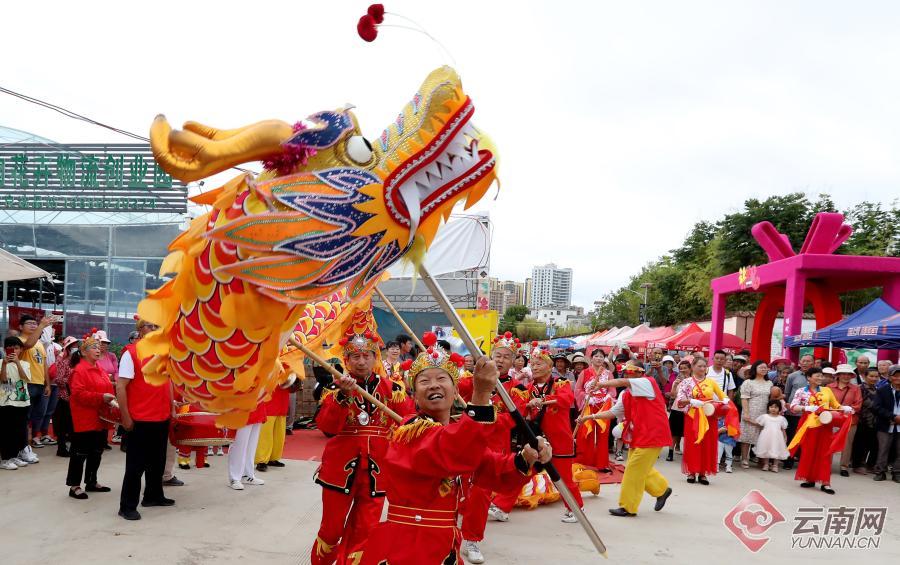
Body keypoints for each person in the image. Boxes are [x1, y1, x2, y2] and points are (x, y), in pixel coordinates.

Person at [360, 341, 548, 564]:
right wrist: (480, 396)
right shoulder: (410, 432)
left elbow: (491, 469)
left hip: (444, 544)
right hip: (409, 544)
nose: (433, 385)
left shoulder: (453, 433)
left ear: (455, 390)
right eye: (424, 381)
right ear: (415, 395)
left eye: (441, 379)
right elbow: (452, 451)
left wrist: (527, 458)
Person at [311, 320, 414, 565]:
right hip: (340, 470)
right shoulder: (334, 388)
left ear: (374, 357)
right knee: (331, 530)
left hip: (378, 472)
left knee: (365, 531)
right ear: (346, 360)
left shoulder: (393, 389)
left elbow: (407, 423)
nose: (360, 361)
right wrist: (343, 397)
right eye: (354, 356)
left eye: (366, 355)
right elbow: (326, 426)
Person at [457, 332, 527, 563]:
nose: (501, 360)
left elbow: (516, 417)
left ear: (514, 361)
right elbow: (458, 391)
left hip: (493, 447)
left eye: (507, 357)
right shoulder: (474, 378)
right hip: (465, 441)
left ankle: (471, 539)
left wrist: (488, 416)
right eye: (498, 355)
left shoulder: (517, 389)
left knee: (480, 492)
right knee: (455, 487)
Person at [576, 361, 672, 517]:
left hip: (654, 434)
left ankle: (628, 507)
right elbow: (613, 412)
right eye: (625, 371)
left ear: (640, 372)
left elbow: (622, 382)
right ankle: (661, 490)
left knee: (634, 470)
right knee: (640, 468)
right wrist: (589, 417)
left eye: (630, 371)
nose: (627, 374)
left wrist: (600, 384)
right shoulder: (626, 394)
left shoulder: (647, 383)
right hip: (640, 435)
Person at [117, 318, 175, 521]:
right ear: (140, 330)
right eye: (149, 326)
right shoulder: (131, 353)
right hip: (140, 418)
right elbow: (121, 386)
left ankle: (153, 495)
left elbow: (168, 382)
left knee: (157, 462)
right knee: (135, 465)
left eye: (156, 326)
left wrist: (172, 405)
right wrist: (125, 416)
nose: (153, 329)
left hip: (161, 416)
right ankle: (127, 506)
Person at [525, 345, 583, 522]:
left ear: (550, 367)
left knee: (564, 479)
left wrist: (542, 401)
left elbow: (567, 400)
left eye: (539, 364)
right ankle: (502, 507)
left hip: (559, 440)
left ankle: (576, 509)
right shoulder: (528, 388)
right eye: (532, 364)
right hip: (536, 439)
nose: (534, 367)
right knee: (522, 473)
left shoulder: (561, 384)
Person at [788, 367, 853, 494]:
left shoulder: (827, 390)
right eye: (817, 376)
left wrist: (844, 408)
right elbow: (793, 407)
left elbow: (835, 406)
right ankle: (809, 479)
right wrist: (806, 408)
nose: (820, 378)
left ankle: (825, 483)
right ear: (809, 378)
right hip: (808, 425)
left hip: (824, 424)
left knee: (825, 453)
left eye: (821, 376)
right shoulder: (801, 391)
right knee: (808, 452)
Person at [66, 334, 117, 499]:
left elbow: (107, 387)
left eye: (99, 346)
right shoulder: (79, 370)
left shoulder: (99, 368)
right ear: (84, 352)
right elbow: (78, 394)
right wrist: (101, 397)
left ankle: (91, 481)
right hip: (84, 418)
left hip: (100, 417)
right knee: (80, 453)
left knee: (96, 451)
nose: (98, 349)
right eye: (94, 347)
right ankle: (74, 486)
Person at [676, 356, 728, 484]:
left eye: (704, 366)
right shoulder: (686, 382)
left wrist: (725, 402)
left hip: (709, 417)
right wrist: (691, 401)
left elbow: (723, 396)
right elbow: (679, 401)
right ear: (692, 367)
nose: (702, 368)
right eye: (699, 366)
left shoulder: (711, 382)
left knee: (707, 444)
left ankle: (703, 473)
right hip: (693, 416)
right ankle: (692, 472)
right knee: (693, 444)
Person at [574, 350, 615, 473]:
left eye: (601, 356)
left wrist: (609, 396)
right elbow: (577, 389)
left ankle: (602, 464)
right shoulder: (585, 373)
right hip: (589, 405)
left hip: (604, 406)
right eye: (596, 356)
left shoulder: (608, 373)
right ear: (591, 359)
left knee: (603, 434)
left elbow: (612, 389)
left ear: (604, 359)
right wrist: (585, 396)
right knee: (587, 434)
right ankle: (585, 461)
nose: (598, 359)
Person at [17, 315, 51, 450]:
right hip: (25, 383)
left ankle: (30, 441)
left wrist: (47, 384)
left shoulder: (39, 343)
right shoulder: (18, 340)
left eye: (34, 323)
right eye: (29, 323)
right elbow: (27, 345)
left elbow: (44, 365)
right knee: (24, 416)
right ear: (20, 327)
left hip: (40, 384)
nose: (33, 325)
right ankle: (22, 446)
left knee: (39, 414)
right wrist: (42, 325)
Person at [1, 336, 32, 470]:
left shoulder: (25, 364)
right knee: (7, 431)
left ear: (20, 350)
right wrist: (4, 365)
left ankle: (14, 456)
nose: (14, 350)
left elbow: (26, 378)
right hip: (6, 403)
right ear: (5, 349)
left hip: (23, 403)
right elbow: (3, 381)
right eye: (10, 348)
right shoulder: (1, 362)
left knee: (19, 431)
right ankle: (5, 459)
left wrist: (18, 363)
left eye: (17, 348)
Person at [255, 373, 295, 472]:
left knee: (279, 434)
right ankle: (262, 460)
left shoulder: (290, 363)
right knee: (265, 434)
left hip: (282, 402)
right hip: (270, 401)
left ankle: (273, 458)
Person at [827, 364, 862, 477]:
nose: (846, 376)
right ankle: (827, 464)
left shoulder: (855, 388)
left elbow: (858, 404)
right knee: (829, 442)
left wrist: (849, 409)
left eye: (848, 374)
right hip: (832, 418)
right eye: (843, 374)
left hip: (850, 420)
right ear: (838, 375)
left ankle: (844, 466)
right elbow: (825, 403)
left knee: (847, 443)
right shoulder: (829, 387)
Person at [782, 354, 815, 469]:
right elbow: (787, 393)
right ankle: (788, 460)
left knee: (806, 439)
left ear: (813, 363)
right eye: (803, 361)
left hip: (811, 414)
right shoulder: (792, 376)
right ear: (799, 362)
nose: (805, 363)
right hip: (794, 413)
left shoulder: (817, 377)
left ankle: (804, 461)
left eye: (808, 361)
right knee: (792, 437)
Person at [739, 361, 773, 469]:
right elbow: (744, 398)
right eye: (761, 367)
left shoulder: (769, 383)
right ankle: (745, 458)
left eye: (765, 367)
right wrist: (746, 413)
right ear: (755, 369)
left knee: (762, 436)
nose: (764, 369)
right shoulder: (748, 382)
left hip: (764, 412)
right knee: (747, 437)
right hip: (750, 410)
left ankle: (760, 459)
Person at [49, 337, 80, 458]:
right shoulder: (63, 361)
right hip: (65, 397)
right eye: (73, 345)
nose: (75, 347)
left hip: (75, 398)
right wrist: (72, 382)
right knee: (63, 425)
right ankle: (61, 448)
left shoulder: (78, 362)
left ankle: (73, 447)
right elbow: (59, 379)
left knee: (73, 424)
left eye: (77, 345)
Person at [871, 364, 900, 483]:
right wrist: (893, 417)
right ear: (889, 377)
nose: (898, 378)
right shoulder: (883, 390)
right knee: (883, 449)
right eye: (895, 376)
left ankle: (897, 472)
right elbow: (876, 408)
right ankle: (880, 472)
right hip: (885, 424)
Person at [228, 402, 266, 489]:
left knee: (251, 446)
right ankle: (234, 478)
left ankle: (247, 475)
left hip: (257, 405)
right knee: (239, 444)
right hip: (242, 405)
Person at [851, 368, 882, 474]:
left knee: (874, 444)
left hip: (875, 421)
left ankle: (870, 465)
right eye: (871, 376)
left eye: (876, 376)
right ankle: (857, 465)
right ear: (865, 376)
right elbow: (868, 404)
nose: (874, 378)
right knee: (860, 444)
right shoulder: (859, 388)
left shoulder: (878, 388)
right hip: (862, 420)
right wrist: (882, 409)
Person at [664, 359, 690, 461]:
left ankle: (687, 453)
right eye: (681, 368)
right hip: (676, 409)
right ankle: (670, 452)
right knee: (674, 432)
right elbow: (673, 395)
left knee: (687, 433)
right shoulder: (677, 381)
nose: (683, 370)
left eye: (685, 368)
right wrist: (674, 385)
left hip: (689, 409)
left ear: (690, 369)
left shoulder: (693, 380)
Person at [754, 399, 790, 472]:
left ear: (779, 409)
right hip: (766, 436)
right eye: (771, 407)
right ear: (768, 408)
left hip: (777, 437)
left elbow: (783, 429)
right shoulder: (765, 417)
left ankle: (775, 465)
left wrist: (785, 437)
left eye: (776, 407)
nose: (773, 409)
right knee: (766, 449)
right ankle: (766, 464)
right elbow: (760, 426)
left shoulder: (781, 418)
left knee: (776, 449)